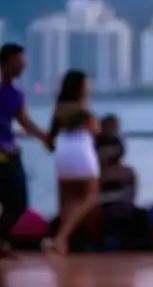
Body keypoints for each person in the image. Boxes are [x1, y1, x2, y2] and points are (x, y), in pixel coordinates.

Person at [0, 43, 51, 259]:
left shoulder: (16, 94)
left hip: (10, 154)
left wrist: (43, 137)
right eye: (19, 63)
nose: (23, 68)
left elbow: (23, 120)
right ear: (6, 63)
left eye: (24, 64)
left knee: (19, 202)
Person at [43, 70, 101, 256]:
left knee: (66, 200)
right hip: (81, 148)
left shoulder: (59, 108)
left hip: (63, 149)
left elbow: (50, 136)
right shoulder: (82, 108)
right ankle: (61, 238)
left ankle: (63, 241)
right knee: (91, 196)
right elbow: (96, 129)